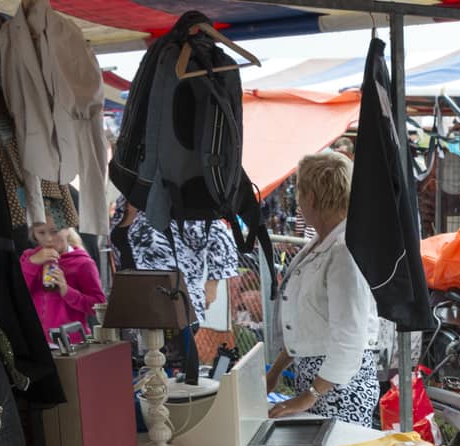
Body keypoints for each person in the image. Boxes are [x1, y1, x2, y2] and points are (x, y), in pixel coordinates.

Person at [265, 151, 380, 424]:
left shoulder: (344, 252)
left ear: (311, 197)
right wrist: (275, 371)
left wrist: (310, 395)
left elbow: (350, 337)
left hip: (340, 389)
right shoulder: (321, 243)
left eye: (299, 193)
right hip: (320, 383)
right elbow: (311, 323)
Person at [113, 202, 241, 325]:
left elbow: (223, 239)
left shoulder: (174, 198)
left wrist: (212, 285)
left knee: (169, 345)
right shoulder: (124, 202)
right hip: (133, 300)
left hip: (174, 301)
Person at [20, 220, 106, 343]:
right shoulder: (28, 258)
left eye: (54, 231)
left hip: (70, 343)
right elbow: (15, 295)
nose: (48, 239)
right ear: (33, 234)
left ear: (67, 229)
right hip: (34, 342)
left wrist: (67, 292)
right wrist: (31, 264)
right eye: (41, 232)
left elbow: (98, 306)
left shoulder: (83, 263)